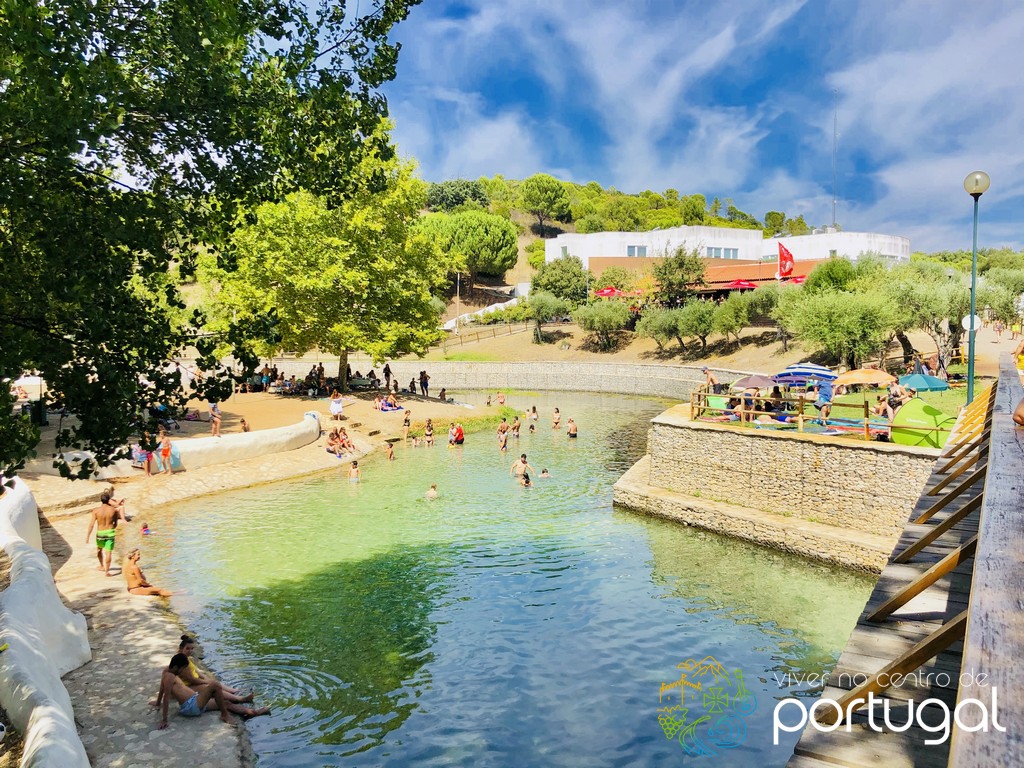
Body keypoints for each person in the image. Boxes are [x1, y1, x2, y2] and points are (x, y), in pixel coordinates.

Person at [175, 636, 269, 714]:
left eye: (192, 648)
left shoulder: (185, 658)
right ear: (181, 648)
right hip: (191, 692)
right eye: (187, 648)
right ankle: (240, 700)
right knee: (218, 693)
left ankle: (236, 693)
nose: (190, 651)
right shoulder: (181, 662)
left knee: (215, 685)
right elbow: (192, 680)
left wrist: (206, 678)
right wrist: (206, 681)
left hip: (192, 699)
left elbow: (196, 672)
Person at [155, 654, 232, 729]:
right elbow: (166, 698)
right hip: (191, 706)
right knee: (215, 685)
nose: (182, 671)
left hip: (195, 701)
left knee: (226, 703)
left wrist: (157, 703)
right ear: (175, 667)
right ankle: (224, 715)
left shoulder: (166, 671)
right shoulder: (170, 677)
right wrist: (164, 720)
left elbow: (161, 689)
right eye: (182, 669)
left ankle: (244, 708)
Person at [85, 488, 128, 576]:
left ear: (101, 500)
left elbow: (91, 524)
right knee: (108, 552)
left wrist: (88, 537)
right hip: (110, 532)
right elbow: (115, 523)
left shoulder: (96, 511)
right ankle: (107, 572)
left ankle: (101, 566)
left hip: (100, 533)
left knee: (99, 550)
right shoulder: (113, 510)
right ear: (109, 500)